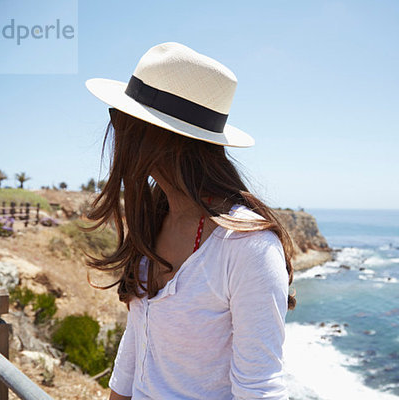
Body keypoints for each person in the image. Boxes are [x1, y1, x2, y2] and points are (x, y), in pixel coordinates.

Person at [84, 42, 295, 400]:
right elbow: (137, 343)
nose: (115, 128)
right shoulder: (155, 218)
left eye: (122, 117)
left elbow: (259, 388)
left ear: (154, 134)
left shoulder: (248, 247)